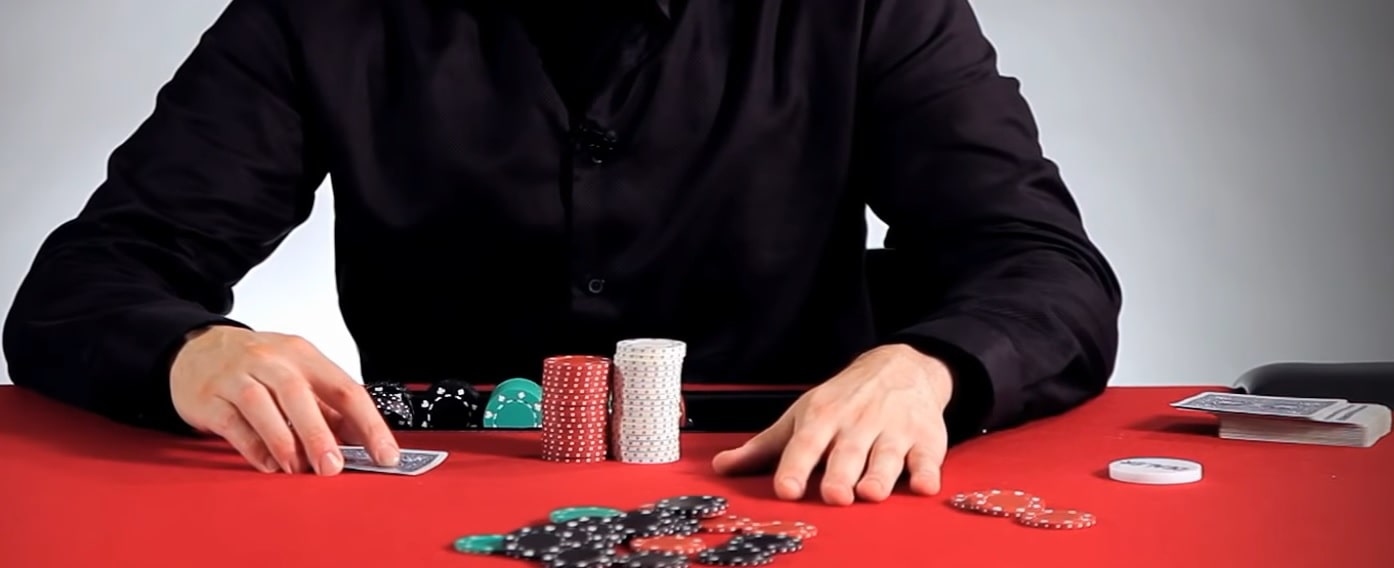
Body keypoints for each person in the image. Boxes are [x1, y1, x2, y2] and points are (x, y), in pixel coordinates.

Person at [2, 0, 1122, 506]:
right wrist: (190, 350)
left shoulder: (870, 7)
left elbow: (1041, 266)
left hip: (797, 496)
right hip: (421, 519)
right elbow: (85, 285)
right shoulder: (314, 16)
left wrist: (926, 364)